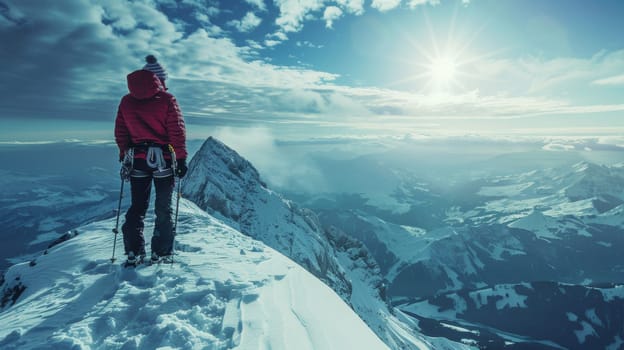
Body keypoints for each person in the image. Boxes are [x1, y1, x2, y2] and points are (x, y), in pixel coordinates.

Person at [114, 56, 188, 265]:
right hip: (163, 159)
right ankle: (161, 251)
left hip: (137, 160)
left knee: (138, 206)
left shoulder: (126, 101)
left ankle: (134, 250)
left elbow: (121, 131)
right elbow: (176, 132)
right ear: (159, 79)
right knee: (163, 206)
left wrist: (124, 154)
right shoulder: (167, 100)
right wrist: (180, 159)